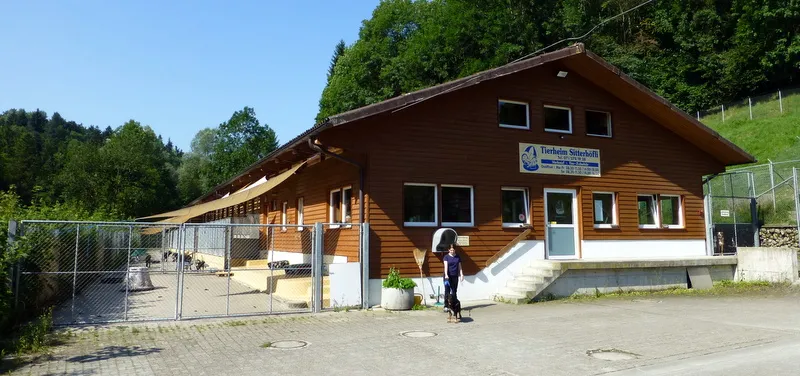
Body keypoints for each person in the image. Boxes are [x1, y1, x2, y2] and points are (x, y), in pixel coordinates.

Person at [443, 244, 464, 311]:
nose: (452, 251)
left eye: (453, 250)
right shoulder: (446, 257)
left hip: (455, 276)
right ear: (448, 250)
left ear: (455, 250)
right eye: (451, 250)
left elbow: (460, 267)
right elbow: (445, 266)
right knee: (447, 291)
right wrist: (446, 275)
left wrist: (461, 274)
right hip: (447, 277)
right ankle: (446, 306)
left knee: (454, 291)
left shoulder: (457, 257)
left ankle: (455, 305)